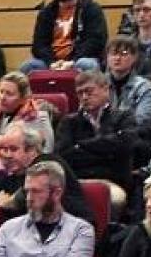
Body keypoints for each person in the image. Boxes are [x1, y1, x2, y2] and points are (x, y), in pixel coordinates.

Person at [0, 123, 93, 222]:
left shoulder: (49, 161)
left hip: (70, 238)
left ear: (31, 150)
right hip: (31, 243)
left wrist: (10, 201)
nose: (7, 155)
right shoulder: (11, 177)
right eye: (4, 149)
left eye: (13, 149)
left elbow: (26, 196)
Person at [55, 70, 141, 215]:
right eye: (80, 93)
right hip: (78, 182)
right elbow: (63, 155)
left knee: (113, 199)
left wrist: (81, 145)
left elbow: (126, 145)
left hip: (113, 180)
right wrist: (106, 149)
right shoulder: (69, 122)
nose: (84, 97)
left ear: (105, 89)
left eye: (89, 91)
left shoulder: (124, 116)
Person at [20, 0, 107, 74]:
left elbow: (95, 42)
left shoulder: (91, 8)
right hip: (52, 63)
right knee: (28, 66)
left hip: (79, 60)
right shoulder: (46, 12)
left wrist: (72, 61)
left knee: (86, 64)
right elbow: (38, 45)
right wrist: (51, 62)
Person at [104, 36, 151, 131]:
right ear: (107, 57)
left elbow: (142, 120)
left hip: (130, 137)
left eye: (123, 54)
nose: (117, 58)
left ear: (134, 58)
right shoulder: (98, 83)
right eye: (113, 53)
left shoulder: (144, 87)